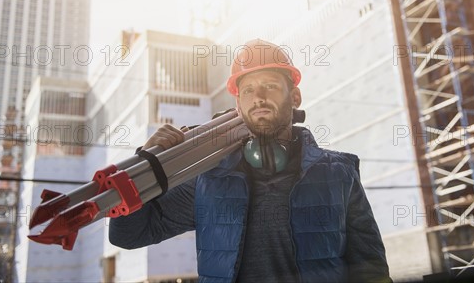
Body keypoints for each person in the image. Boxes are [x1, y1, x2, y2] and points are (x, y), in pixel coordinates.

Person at [109, 39, 392, 283]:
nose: (258, 98)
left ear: (295, 97)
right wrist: (142, 163)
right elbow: (130, 235)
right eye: (248, 90)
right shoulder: (209, 181)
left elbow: (371, 268)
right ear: (238, 106)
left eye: (270, 85)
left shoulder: (339, 175)